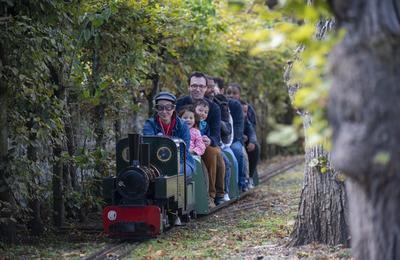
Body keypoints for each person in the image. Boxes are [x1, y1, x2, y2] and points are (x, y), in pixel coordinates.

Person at [176, 72, 225, 207]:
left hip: (203, 142)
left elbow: (216, 134)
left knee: (212, 152)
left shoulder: (213, 107)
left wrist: (210, 140)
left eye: (201, 86)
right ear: (189, 87)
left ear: (205, 88)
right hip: (182, 142)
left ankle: (210, 195)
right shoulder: (179, 104)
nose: (197, 89)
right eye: (194, 86)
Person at [142, 91, 194, 177]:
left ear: (174, 108)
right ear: (156, 109)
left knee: (174, 171)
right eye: (160, 108)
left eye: (168, 107)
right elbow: (149, 146)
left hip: (181, 161)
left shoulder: (182, 125)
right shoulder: (150, 124)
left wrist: (171, 164)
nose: (164, 111)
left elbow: (184, 149)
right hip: (156, 162)